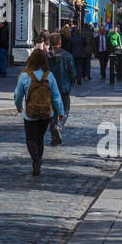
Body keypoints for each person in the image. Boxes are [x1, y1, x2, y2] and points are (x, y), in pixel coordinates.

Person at [13, 48, 64, 176]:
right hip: (46, 114)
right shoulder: (49, 75)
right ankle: (37, 161)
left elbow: (18, 94)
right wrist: (61, 111)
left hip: (30, 114)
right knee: (40, 138)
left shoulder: (25, 75)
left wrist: (19, 106)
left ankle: (36, 160)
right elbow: (56, 95)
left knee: (30, 138)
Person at [46, 33, 77, 145]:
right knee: (65, 110)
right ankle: (58, 126)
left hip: (49, 88)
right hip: (63, 88)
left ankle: (54, 135)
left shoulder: (46, 56)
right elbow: (73, 72)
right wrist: (72, 83)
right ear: (60, 42)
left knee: (51, 113)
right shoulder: (67, 55)